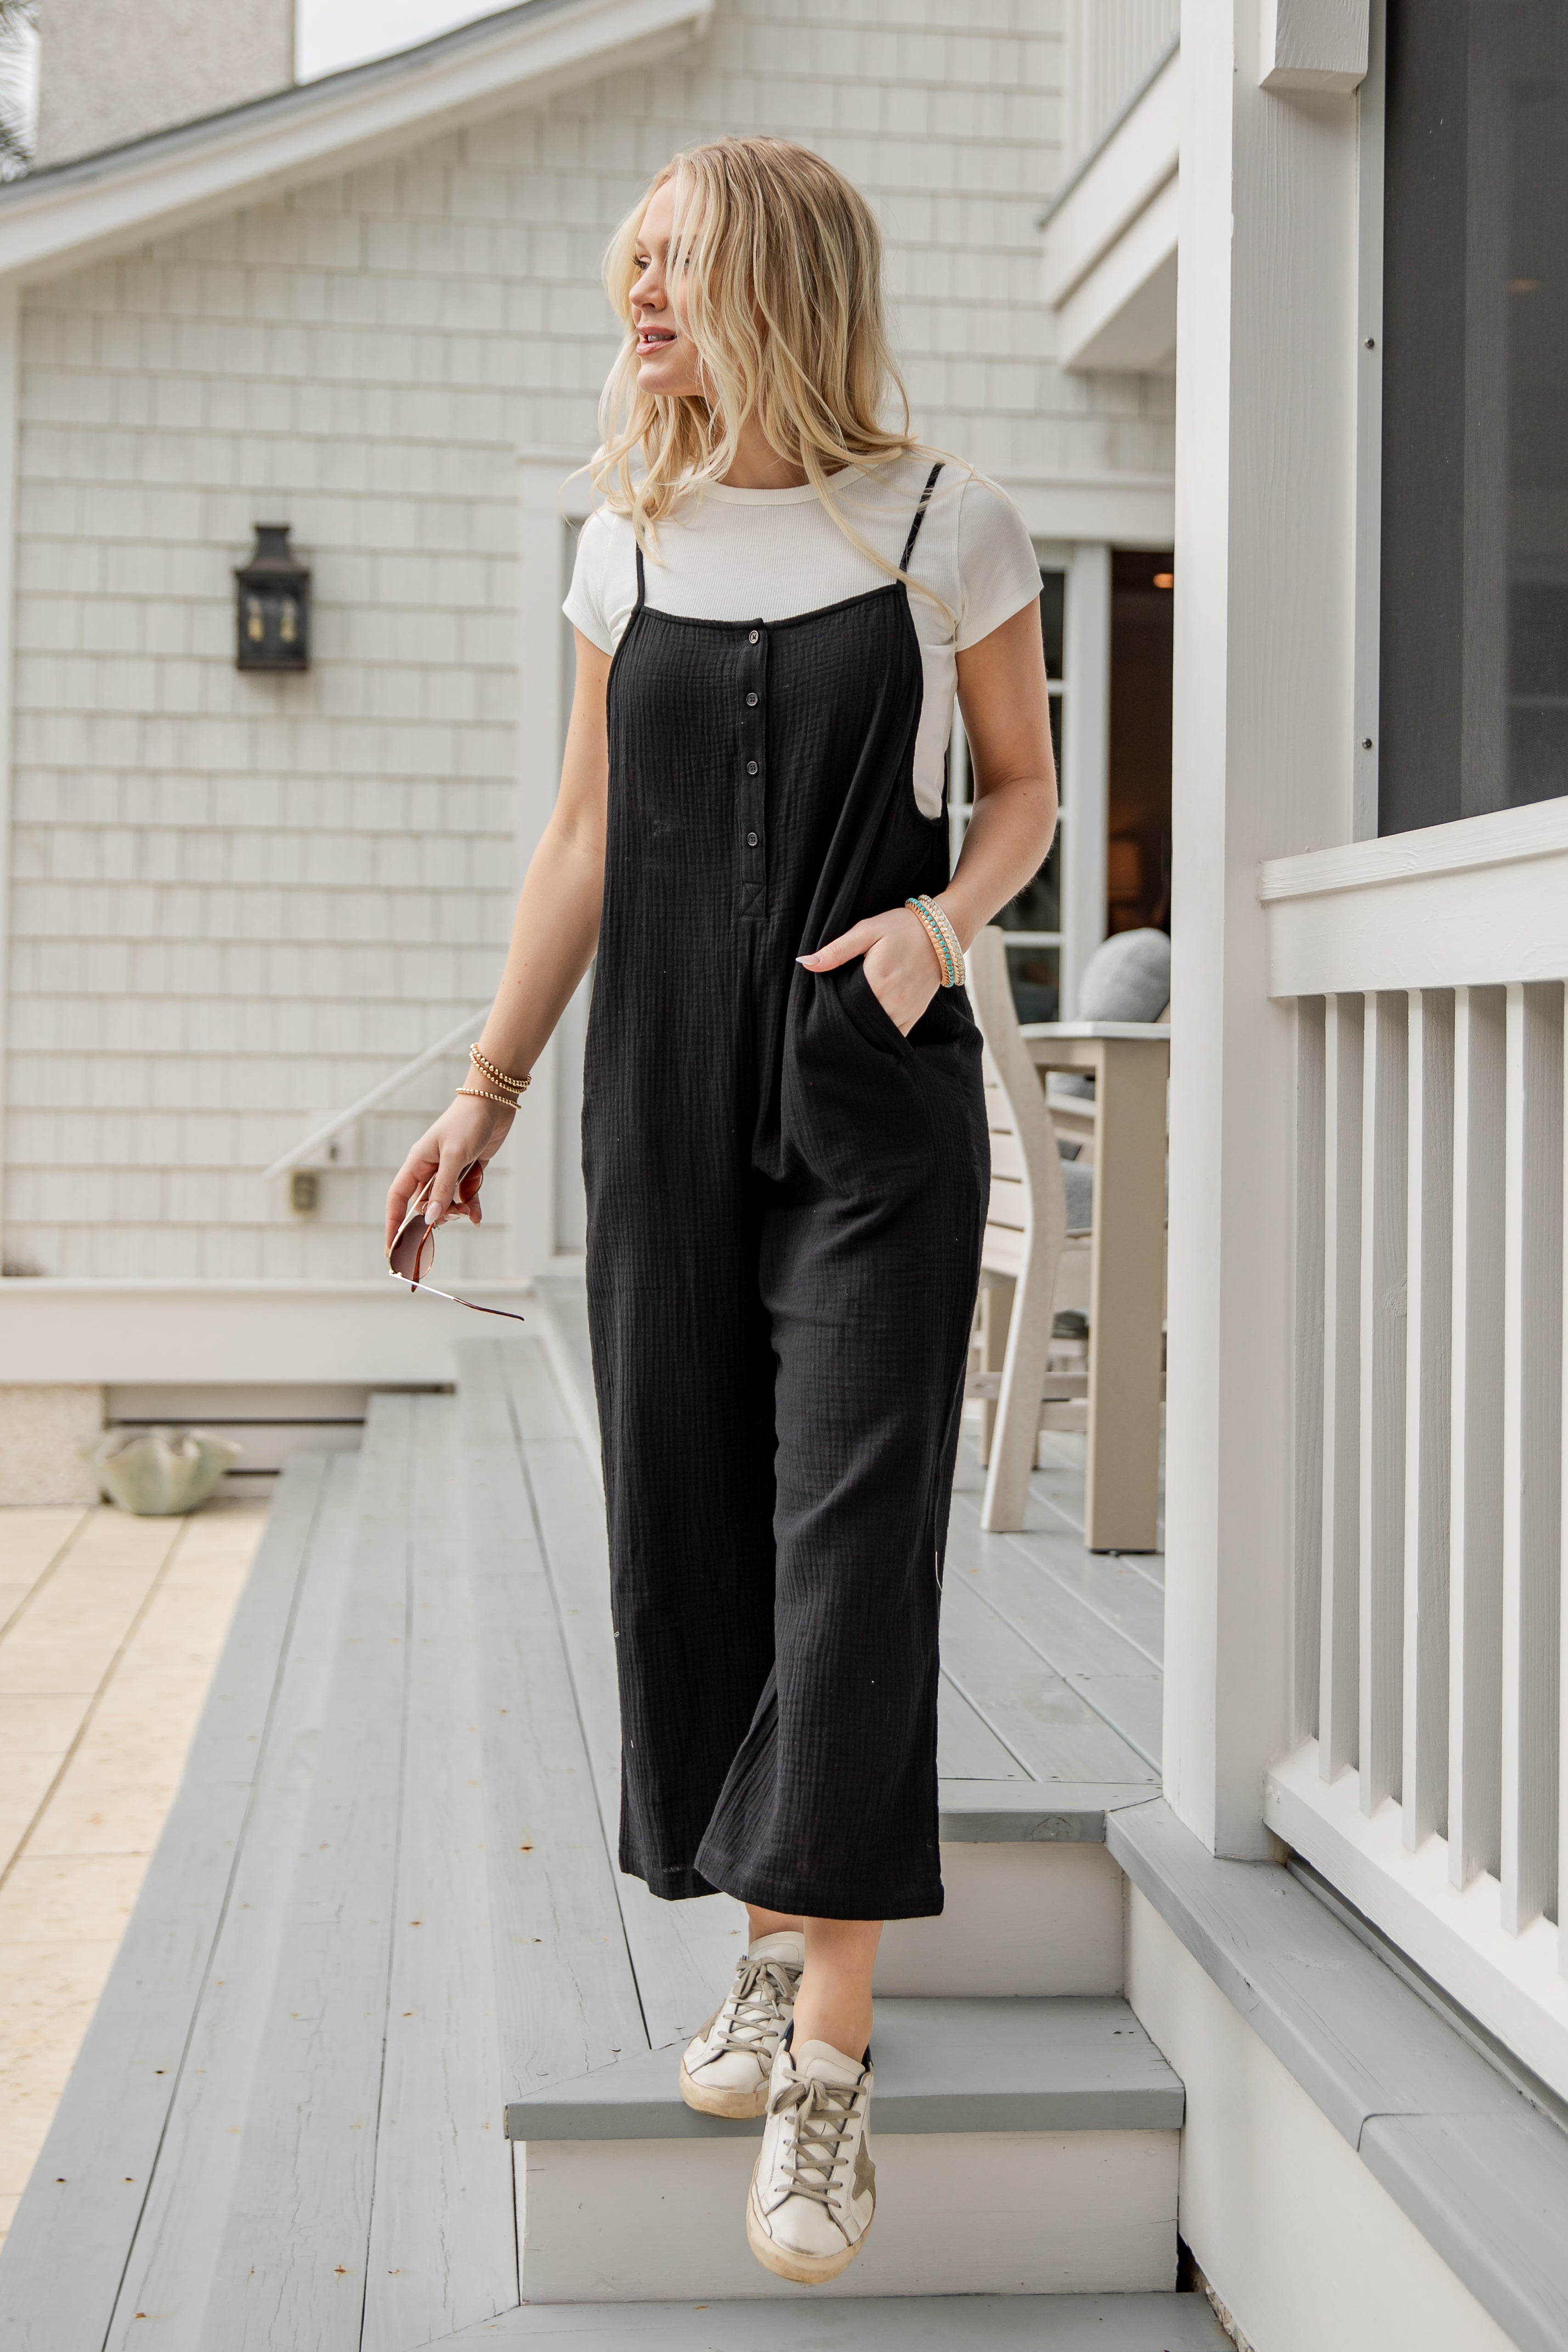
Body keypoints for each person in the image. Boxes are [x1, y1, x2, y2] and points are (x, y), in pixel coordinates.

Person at [387, 135, 1058, 2286]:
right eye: (628, 270)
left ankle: (831, 2065)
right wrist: (482, 1088)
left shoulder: (949, 519)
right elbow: (578, 839)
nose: (638, 305)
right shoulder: (632, 543)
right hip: (652, 1096)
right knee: (694, 1520)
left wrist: (939, 928)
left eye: (671, 267)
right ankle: (767, 1940)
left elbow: (1028, 787)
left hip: (873, 1097)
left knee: (851, 1536)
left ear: (773, 276)